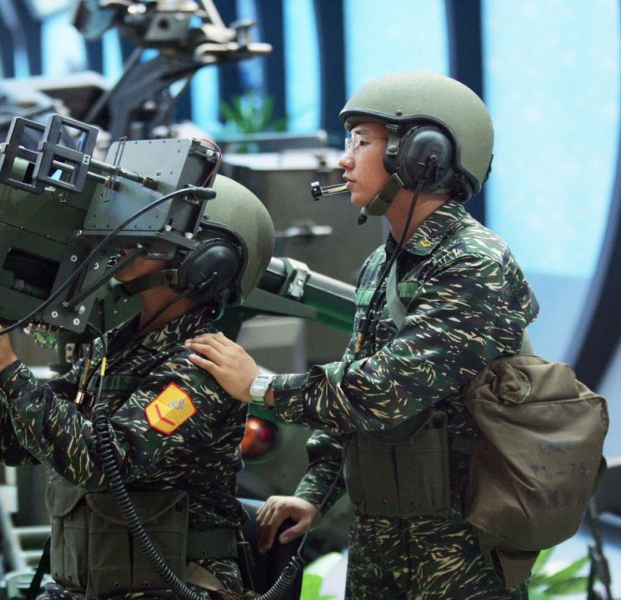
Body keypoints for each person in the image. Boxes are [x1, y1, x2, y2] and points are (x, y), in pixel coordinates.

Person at [186, 71, 539, 599]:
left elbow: (383, 390)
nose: (344, 159)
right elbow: (351, 409)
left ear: (423, 155)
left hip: (459, 550)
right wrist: (314, 496)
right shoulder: (383, 263)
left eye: (362, 141)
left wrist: (259, 386)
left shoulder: (473, 265)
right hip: (382, 538)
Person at [0, 176, 275, 600]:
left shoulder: (204, 363)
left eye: (152, 224)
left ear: (207, 260)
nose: (123, 235)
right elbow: (15, 442)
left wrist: (9, 371)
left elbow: (104, 464)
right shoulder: (115, 347)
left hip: (176, 586)